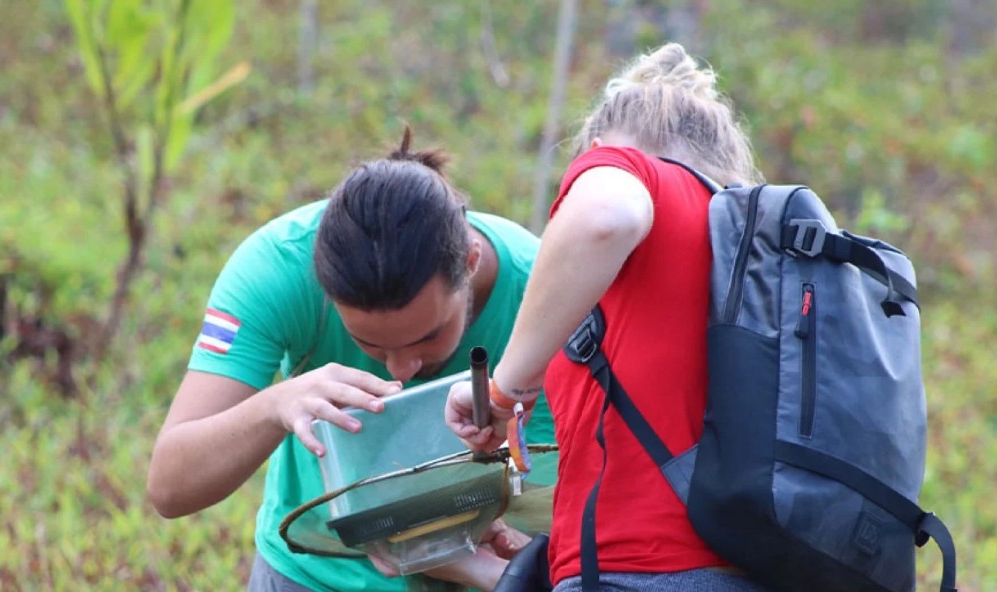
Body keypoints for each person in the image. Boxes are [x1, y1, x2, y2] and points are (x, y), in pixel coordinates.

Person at [147, 127, 555, 592]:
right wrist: (277, 404)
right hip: (310, 574)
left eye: (428, 337)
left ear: (470, 262)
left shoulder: (544, 298)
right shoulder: (277, 269)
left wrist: (479, 563)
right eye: (371, 345)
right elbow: (170, 487)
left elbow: (564, 502)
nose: (401, 371)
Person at [445, 43, 772, 591]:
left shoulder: (628, 172)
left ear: (596, 149)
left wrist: (505, 390)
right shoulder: (756, 245)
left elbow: (605, 215)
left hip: (637, 569)